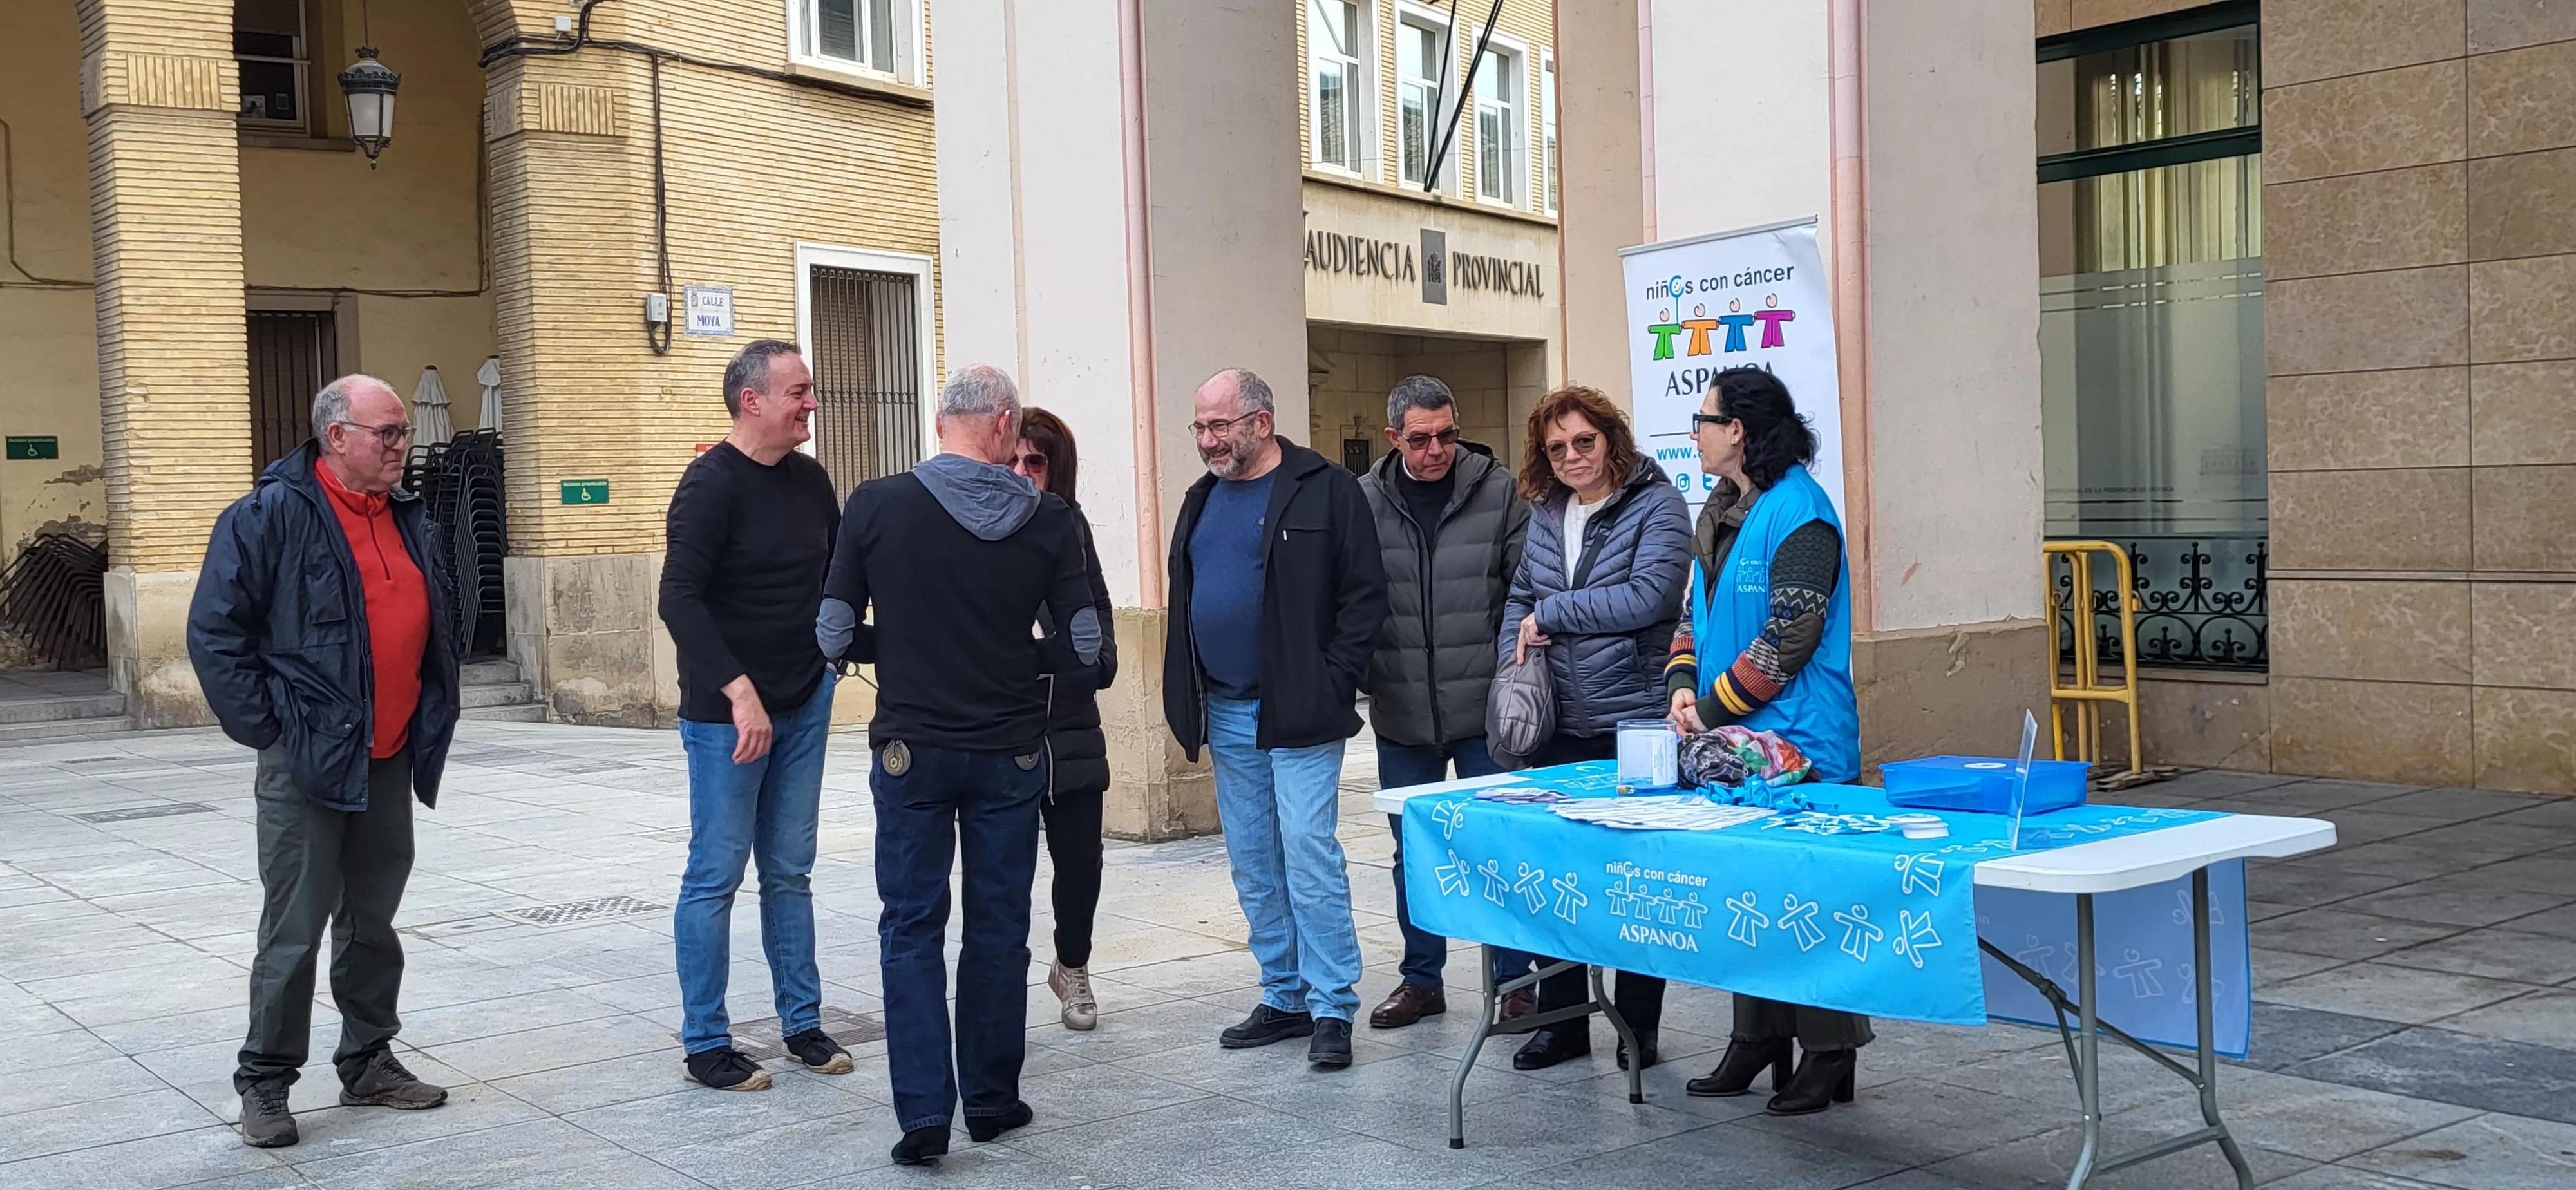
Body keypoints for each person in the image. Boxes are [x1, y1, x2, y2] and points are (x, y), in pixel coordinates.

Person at [819, 364, 1099, 1164]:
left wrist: (905, 645)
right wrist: (1012, 657)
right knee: (998, 925)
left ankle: (921, 1116)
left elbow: (832, 633)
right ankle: (991, 1099)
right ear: (1005, 423)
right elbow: (1084, 645)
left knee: (910, 926)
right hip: (1010, 751)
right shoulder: (1049, 518)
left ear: (942, 422)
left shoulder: (875, 504)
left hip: (911, 751)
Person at [188, 375, 460, 1148]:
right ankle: (265, 1081)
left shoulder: (406, 514)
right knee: (296, 927)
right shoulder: (268, 514)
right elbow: (215, 633)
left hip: (389, 754)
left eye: (403, 431)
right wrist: (272, 729)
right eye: (387, 433)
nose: (402, 446)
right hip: (307, 756)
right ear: (336, 437)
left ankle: (369, 1060)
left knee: (372, 920)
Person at [1162, 368, 1387, 1069]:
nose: (1207, 440)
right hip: (1228, 711)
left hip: (1300, 710)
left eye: (1219, 426)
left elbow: (1364, 596)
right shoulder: (1200, 499)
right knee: (1255, 861)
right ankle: (1283, 995)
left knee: (1308, 851)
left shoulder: (1327, 489)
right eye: (1200, 427)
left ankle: (1332, 1006)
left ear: (1261, 422)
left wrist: (1333, 679)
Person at [1667, 366, 1872, 1116]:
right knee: (1748, 894)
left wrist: (1711, 708)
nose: (1694, 433)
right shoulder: (1721, 509)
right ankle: (1755, 1038)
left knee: (1811, 901)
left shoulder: (1801, 514)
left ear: (1738, 430)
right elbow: (1692, 614)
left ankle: (1829, 1051)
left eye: (1703, 419)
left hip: (1802, 747)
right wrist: (1681, 687)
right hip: (1739, 747)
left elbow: (1791, 634)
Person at [657, 340, 849, 1095]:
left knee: (790, 870)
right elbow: (678, 598)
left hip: (804, 700)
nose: (811, 404)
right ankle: (706, 1041)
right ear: (752, 400)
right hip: (727, 717)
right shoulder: (709, 484)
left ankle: (802, 1023)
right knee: (716, 872)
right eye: (798, 392)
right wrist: (740, 693)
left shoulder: (811, 480)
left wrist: (830, 661)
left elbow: (835, 578)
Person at [1496, 384, 1692, 1072]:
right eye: (1557, 448)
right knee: (1558, 878)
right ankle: (1561, 1024)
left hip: (1635, 720)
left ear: (1612, 440)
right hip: (1560, 722)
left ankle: (1638, 1028)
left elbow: (1649, 598)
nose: (1572, 457)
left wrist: (1551, 615)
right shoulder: (1547, 513)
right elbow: (1520, 598)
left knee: (1637, 882)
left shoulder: (1658, 504)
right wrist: (1512, 666)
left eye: (1584, 441)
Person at [1355, 375, 1534, 1030]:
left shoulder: (1499, 491)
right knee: (1415, 853)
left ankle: (1517, 982)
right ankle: (1421, 980)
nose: (1436, 450)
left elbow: (1524, 588)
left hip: (1487, 714)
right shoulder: (1362, 500)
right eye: (1420, 439)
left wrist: (1511, 674)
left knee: (1500, 847)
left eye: (1447, 435)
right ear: (1393, 437)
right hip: (1402, 709)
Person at [1008, 408, 1121, 1032]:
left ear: (1057, 470)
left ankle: (1072, 966)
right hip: (1006, 728)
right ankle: (1000, 986)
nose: (1022, 472)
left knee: (1081, 863)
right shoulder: (978, 527)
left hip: (1071, 725)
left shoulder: (1070, 528)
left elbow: (1098, 614)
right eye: (1013, 459)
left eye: (1036, 461)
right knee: (1007, 868)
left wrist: (1092, 661)